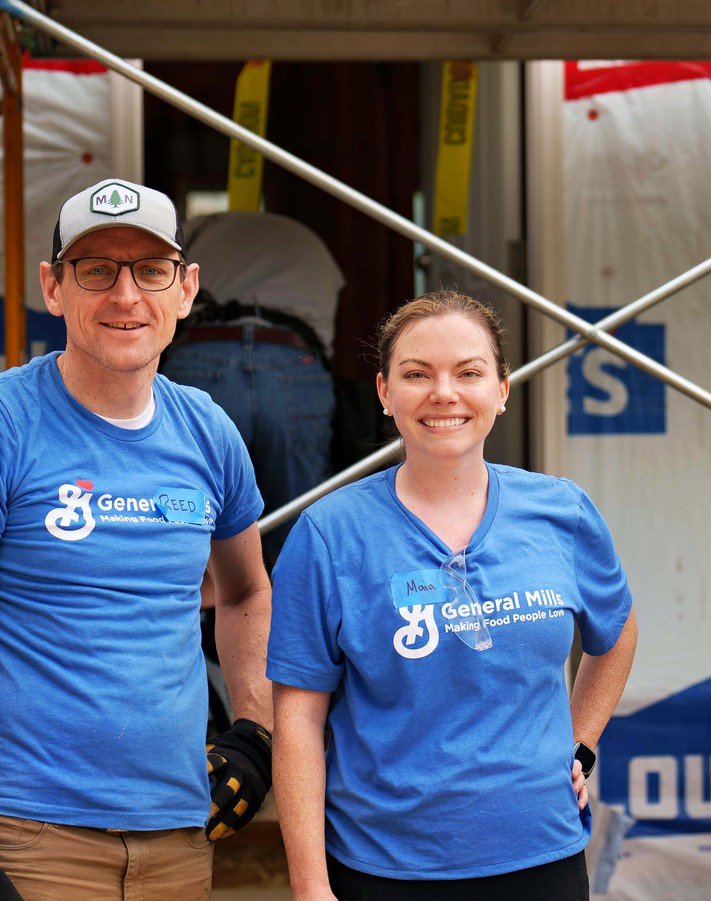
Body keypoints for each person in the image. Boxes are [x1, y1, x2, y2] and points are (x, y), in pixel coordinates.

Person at [0, 178, 275, 900]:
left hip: (177, 836)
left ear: (186, 288)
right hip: (29, 838)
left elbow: (247, 589)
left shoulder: (209, 431)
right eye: (96, 269)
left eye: (150, 269)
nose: (126, 295)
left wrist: (255, 728)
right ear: (53, 286)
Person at [268, 291, 639, 901]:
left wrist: (582, 740)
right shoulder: (330, 533)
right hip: (383, 866)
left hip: (541, 855)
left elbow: (616, 631)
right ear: (385, 393)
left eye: (469, 373)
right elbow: (298, 719)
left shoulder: (561, 511)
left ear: (502, 389)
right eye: (417, 374)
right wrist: (310, 885)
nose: (444, 393)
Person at [161, 211, 344, 565]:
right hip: (292, 355)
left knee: (187, 510)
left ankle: (191, 613)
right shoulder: (306, 239)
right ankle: (295, 614)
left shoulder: (196, 236)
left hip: (204, 350)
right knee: (299, 515)